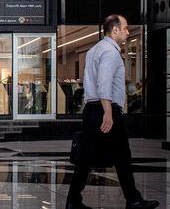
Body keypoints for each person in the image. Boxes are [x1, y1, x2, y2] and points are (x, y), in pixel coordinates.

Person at [66, 15, 159, 209]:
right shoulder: (111, 52)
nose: (127, 32)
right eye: (125, 28)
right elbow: (104, 83)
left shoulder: (94, 50)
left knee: (86, 157)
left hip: (92, 109)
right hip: (105, 109)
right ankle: (133, 200)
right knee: (122, 155)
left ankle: (73, 201)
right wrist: (108, 113)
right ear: (114, 30)